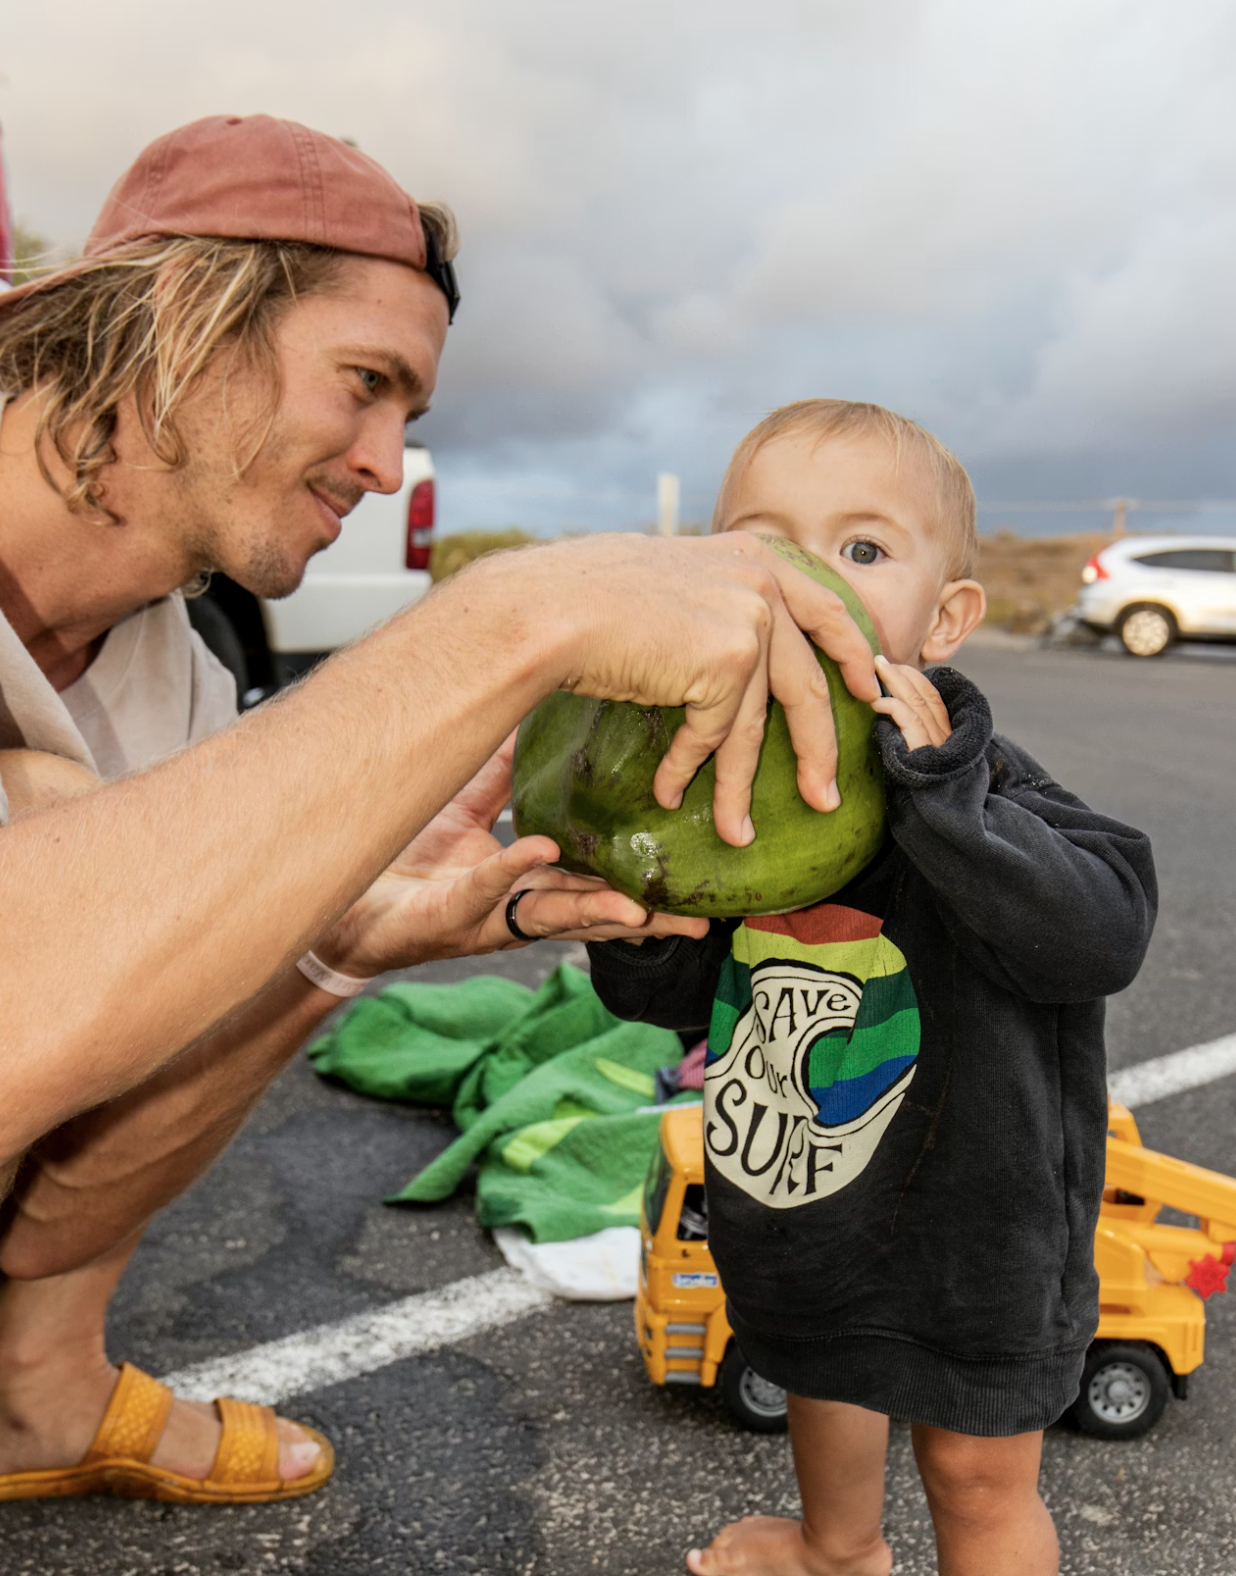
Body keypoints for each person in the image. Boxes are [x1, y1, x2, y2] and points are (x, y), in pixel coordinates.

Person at [0, 121, 881, 1505]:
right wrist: (513, 620)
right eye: (364, 383)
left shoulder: (173, 684)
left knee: (177, 901)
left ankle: (34, 1398)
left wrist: (334, 947)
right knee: (61, 831)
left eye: (409, 415)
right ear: (186, 316)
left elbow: (55, 1205)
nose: (384, 460)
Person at [586, 400, 1158, 1576]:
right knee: (818, 1377)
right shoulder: (722, 784)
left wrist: (944, 797)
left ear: (944, 619)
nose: (810, 580)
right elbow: (675, 996)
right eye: (767, 544)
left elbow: (1099, 931)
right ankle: (836, 1547)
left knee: (976, 1472)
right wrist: (645, 925)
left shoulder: (987, 781)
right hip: (805, 1196)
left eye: (861, 550)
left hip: (979, 1227)